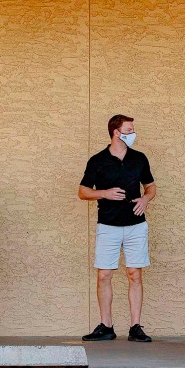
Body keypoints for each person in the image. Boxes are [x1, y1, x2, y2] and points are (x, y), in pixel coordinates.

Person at [78, 115, 157, 343]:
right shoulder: (97, 160)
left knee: (135, 274)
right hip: (108, 225)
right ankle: (106, 326)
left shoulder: (139, 158)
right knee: (104, 275)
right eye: (129, 130)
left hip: (136, 225)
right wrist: (104, 193)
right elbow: (83, 191)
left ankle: (135, 327)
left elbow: (151, 187)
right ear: (116, 132)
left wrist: (145, 199)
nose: (133, 133)